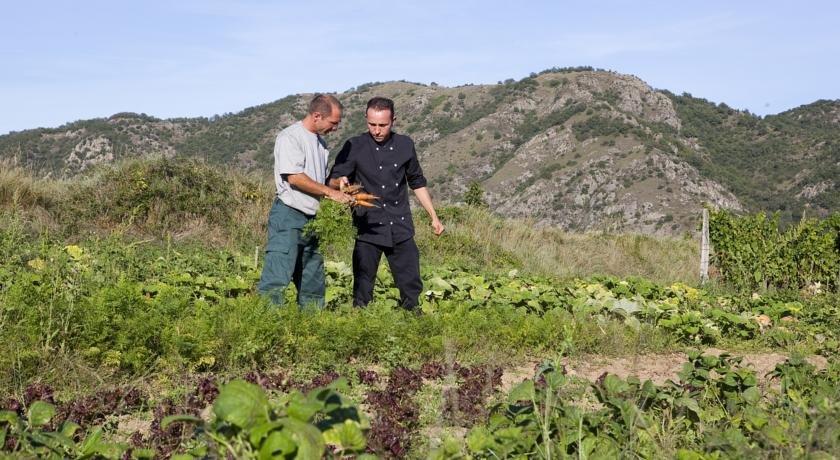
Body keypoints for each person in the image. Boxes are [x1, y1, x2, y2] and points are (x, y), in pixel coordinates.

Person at [329, 96, 444, 311]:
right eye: (372, 124)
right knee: (362, 287)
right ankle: (362, 321)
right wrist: (340, 182)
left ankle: (413, 319)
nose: (376, 130)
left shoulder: (405, 145)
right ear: (365, 119)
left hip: (400, 224)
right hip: (367, 226)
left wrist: (434, 217)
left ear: (393, 121)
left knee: (410, 284)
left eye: (382, 125)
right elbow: (333, 180)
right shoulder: (354, 145)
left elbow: (417, 182)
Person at [258, 94, 353, 308]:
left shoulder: (321, 143)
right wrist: (331, 194)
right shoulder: (290, 137)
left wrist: (336, 184)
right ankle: (267, 322)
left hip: (313, 218)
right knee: (277, 275)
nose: (335, 128)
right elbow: (295, 177)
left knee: (312, 277)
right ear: (317, 116)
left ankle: (312, 323)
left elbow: (319, 180)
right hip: (289, 215)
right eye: (333, 123)